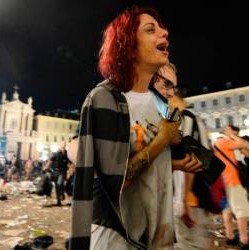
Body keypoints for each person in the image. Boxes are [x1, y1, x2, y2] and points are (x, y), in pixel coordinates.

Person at [69, 7, 202, 250]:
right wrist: (162, 140)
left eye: (161, 28)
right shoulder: (106, 98)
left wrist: (174, 161)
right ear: (127, 45)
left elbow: (145, 165)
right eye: (151, 29)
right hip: (116, 235)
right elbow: (115, 183)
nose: (165, 33)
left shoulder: (160, 106)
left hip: (157, 235)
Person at [169, 91, 212, 249]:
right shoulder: (195, 119)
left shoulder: (184, 119)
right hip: (195, 196)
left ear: (173, 98)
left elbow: (191, 161)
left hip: (189, 198)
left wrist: (184, 200)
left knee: (189, 243)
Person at [214, 125, 249, 249]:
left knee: (227, 210)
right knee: (241, 211)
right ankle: (244, 240)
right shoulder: (224, 142)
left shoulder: (217, 142)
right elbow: (243, 144)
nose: (236, 136)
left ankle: (230, 237)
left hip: (223, 182)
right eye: (235, 133)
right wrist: (232, 135)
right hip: (232, 180)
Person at [50, 141, 69, 206]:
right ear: (60, 145)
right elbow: (51, 160)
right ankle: (59, 201)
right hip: (55, 171)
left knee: (60, 183)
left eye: (64, 144)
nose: (63, 145)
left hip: (63, 171)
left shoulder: (67, 153)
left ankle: (62, 193)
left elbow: (69, 162)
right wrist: (46, 167)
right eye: (62, 144)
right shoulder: (56, 152)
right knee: (57, 186)